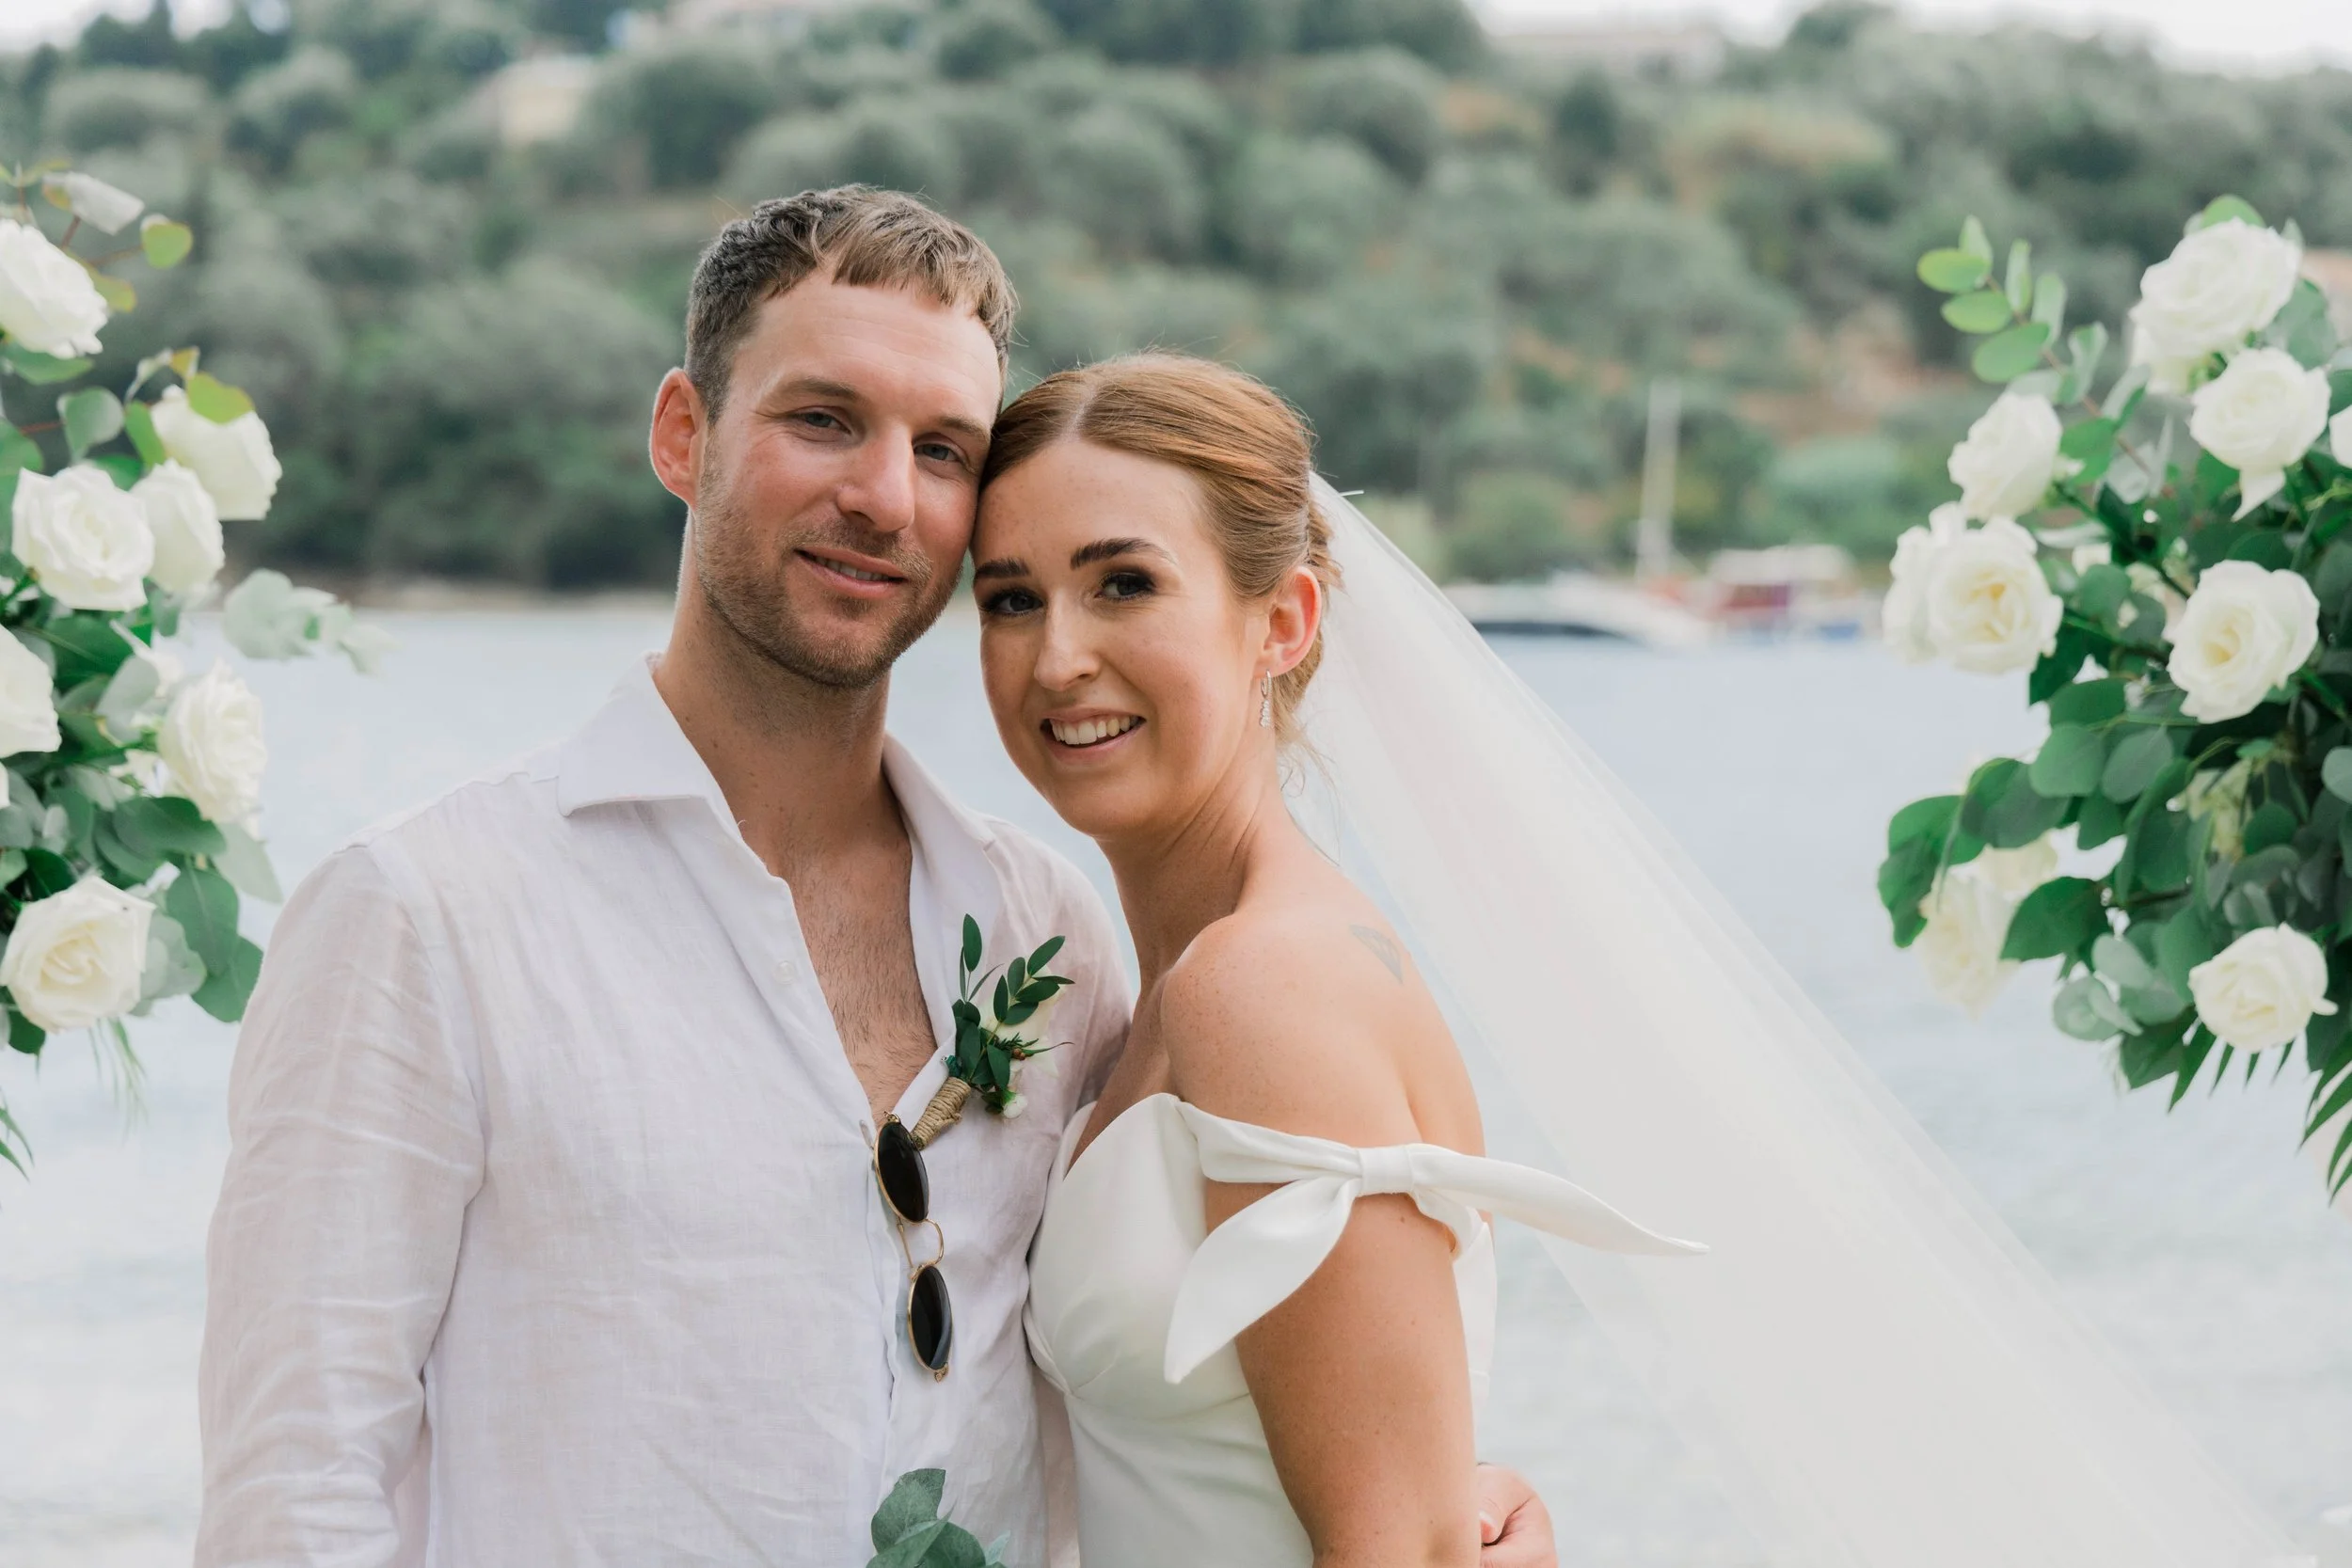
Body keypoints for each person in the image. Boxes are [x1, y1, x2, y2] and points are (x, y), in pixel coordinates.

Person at [194, 187, 1554, 1566]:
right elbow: (294, 1498)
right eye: (823, 418)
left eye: (945, 449)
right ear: (685, 432)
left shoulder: (1051, 937)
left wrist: (1437, 1493)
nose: (883, 495)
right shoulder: (423, 918)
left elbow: (1199, 1381)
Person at [971, 354, 2311, 1568]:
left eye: (1124, 582)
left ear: (1286, 621)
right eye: (1010, 597)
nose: (1057, 655)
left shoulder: (1265, 986)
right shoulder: (1164, 991)